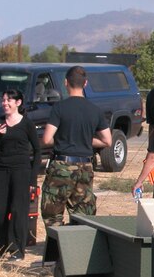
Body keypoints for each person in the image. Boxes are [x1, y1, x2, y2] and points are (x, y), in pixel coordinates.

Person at [41, 66, 112, 227]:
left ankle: (57, 248)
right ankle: (78, 248)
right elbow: (107, 141)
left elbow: (46, 139)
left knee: (52, 213)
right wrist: (86, 140)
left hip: (62, 166)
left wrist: (62, 139)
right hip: (85, 167)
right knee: (83, 214)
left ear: (66, 82)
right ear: (85, 84)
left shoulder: (59, 108)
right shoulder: (95, 110)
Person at [0, 89, 42, 260]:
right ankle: (2, 246)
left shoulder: (27, 123)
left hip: (22, 171)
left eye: (9, 100)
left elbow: (37, 151)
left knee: (18, 211)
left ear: (18, 103)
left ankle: (17, 249)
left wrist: (33, 178)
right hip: (3, 170)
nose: (5, 103)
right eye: (3, 100)